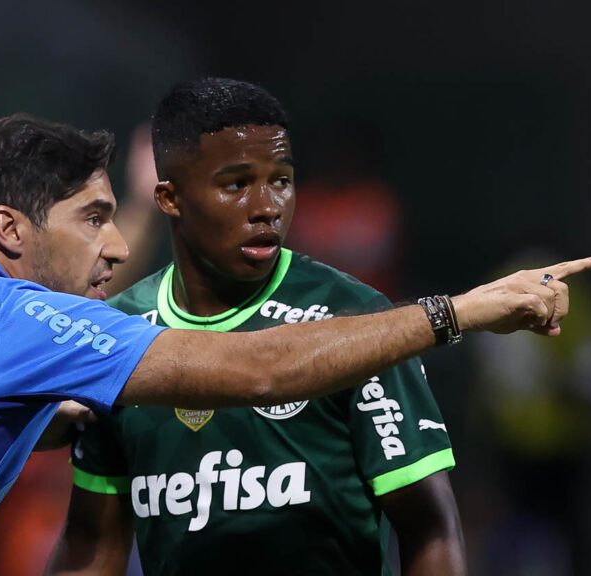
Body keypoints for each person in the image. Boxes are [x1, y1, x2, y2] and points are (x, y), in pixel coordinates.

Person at [0, 113, 591, 575]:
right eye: (91, 219)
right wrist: (460, 311)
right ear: (10, 229)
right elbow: (262, 364)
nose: (116, 247)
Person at [47, 78, 464, 576]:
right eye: (236, 184)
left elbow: (430, 528)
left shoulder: (357, 321)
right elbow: (93, 543)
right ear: (169, 197)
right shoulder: (117, 333)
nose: (267, 206)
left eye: (281, 180)